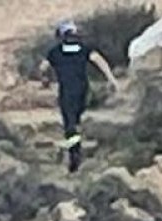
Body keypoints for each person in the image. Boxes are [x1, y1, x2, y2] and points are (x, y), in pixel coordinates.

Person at [38, 20, 120, 173]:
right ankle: (78, 145)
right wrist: (111, 78)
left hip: (66, 91)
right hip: (83, 90)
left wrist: (45, 80)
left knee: (70, 125)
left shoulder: (55, 52)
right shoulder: (84, 49)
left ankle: (74, 154)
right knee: (76, 119)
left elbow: (43, 67)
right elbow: (99, 60)